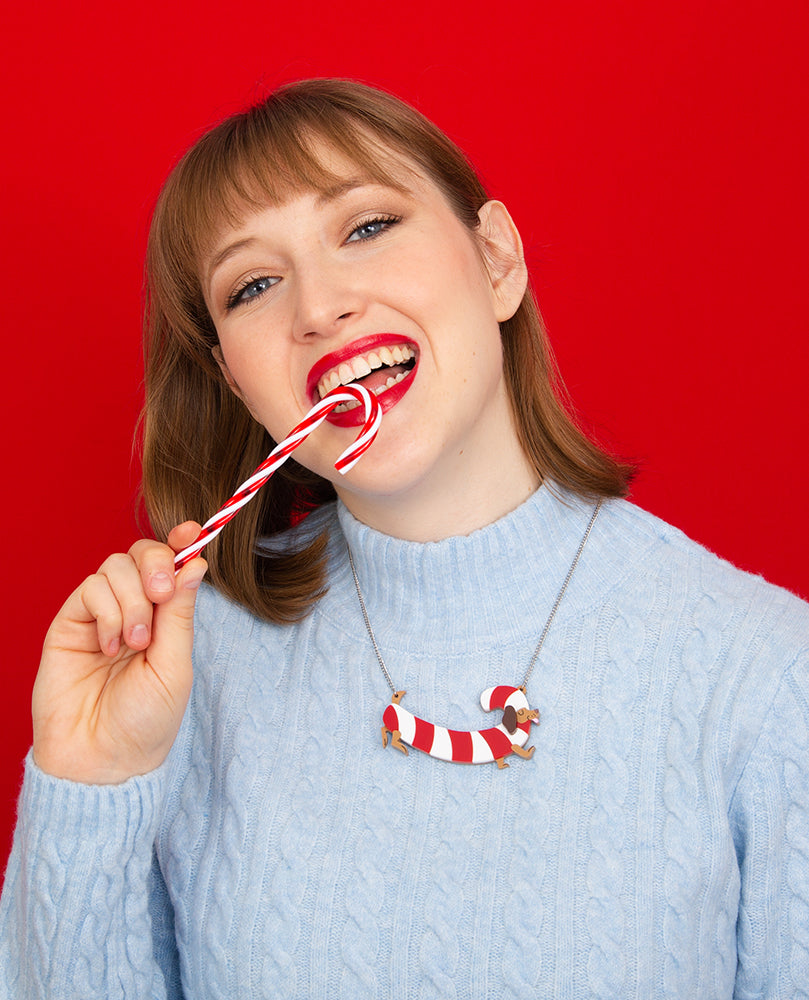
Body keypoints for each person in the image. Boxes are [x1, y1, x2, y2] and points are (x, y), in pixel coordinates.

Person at [1, 78, 807, 1000]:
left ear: (496, 259)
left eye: (366, 226)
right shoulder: (177, 673)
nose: (318, 306)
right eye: (253, 284)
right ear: (234, 381)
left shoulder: (769, 679)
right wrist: (90, 784)